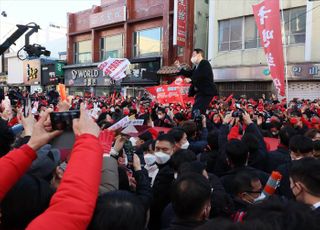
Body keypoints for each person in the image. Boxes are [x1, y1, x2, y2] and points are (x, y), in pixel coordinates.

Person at [175, 48, 218, 115]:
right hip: (200, 93)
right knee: (197, 112)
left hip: (206, 92)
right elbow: (189, 73)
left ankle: (203, 124)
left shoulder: (204, 63)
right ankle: (203, 124)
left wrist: (191, 79)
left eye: (193, 54)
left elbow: (202, 74)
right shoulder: (196, 67)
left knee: (197, 111)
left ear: (199, 55)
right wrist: (179, 67)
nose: (192, 57)